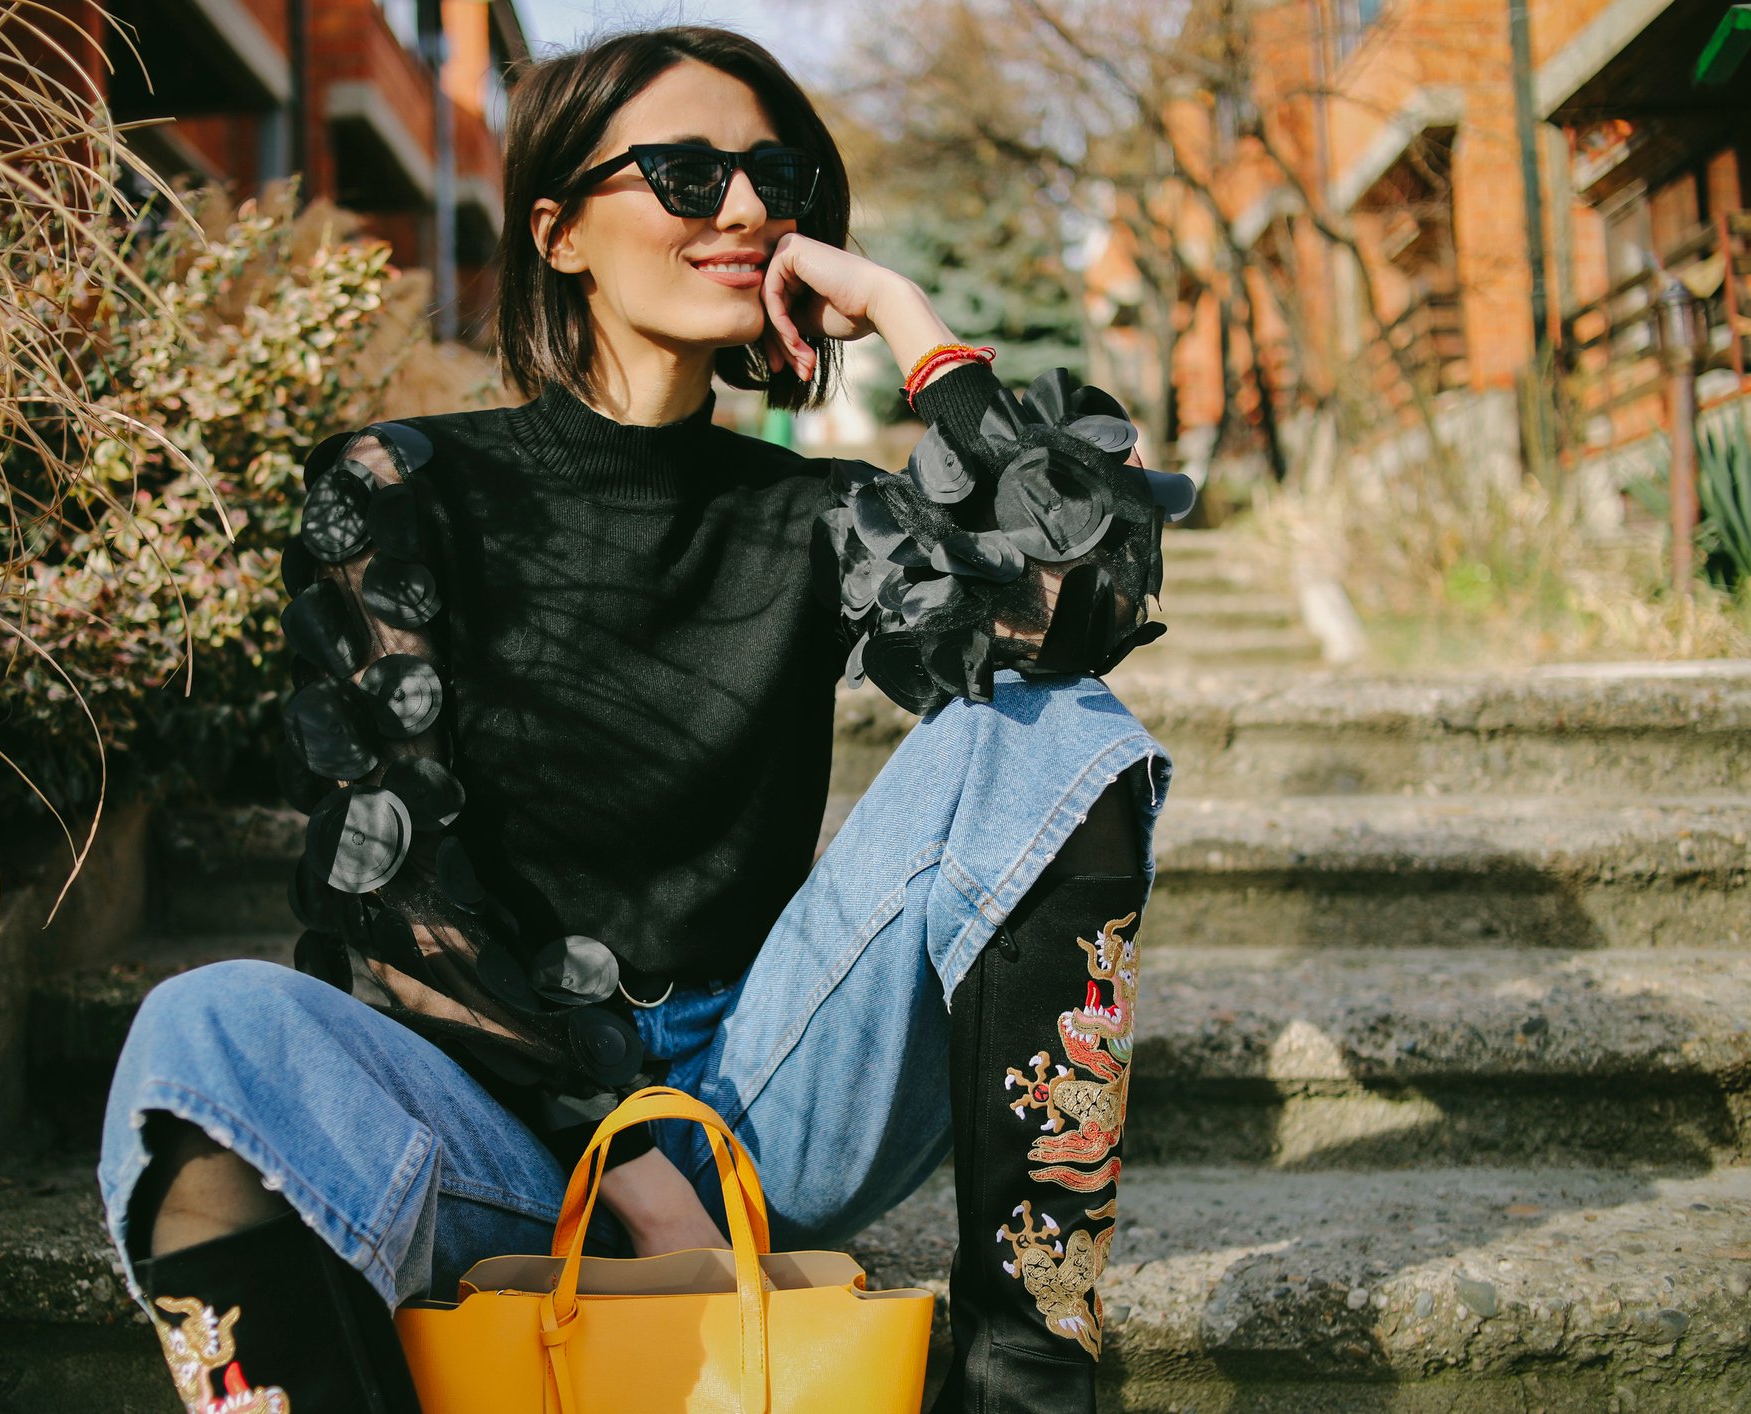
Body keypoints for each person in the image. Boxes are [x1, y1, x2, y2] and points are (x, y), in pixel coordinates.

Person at [98, 24, 1188, 1414]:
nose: (742, 208)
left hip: (765, 1106)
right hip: (502, 1124)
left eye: (773, 177)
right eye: (684, 174)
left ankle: (1026, 1379)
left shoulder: (820, 518)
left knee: (1053, 728)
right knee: (203, 1032)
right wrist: (620, 1162)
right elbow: (393, 894)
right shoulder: (403, 490)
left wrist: (919, 332)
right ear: (558, 232)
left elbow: (1079, 606)